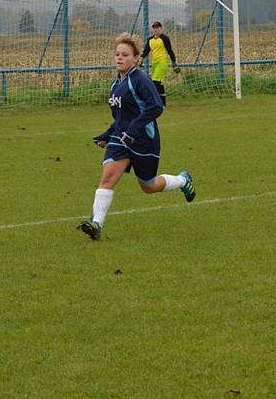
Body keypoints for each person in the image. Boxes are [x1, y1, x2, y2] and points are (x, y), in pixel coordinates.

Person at [77, 33, 195, 241]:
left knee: (148, 186)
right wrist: (107, 135)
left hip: (144, 140)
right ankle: (97, 223)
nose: (119, 58)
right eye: (117, 54)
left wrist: (133, 129)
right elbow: (120, 119)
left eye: (125, 54)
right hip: (121, 140)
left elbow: (156, 107)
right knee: (107, 179)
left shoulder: (140, 79)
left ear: (136, 58)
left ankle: (182, 180)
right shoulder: (116, 85)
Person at [140, 21, 180, 106]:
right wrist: (142, 58)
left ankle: (155, 104)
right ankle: (163, 104)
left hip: (163, 62)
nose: (156, 29)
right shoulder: (150, 40)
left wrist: (174, 62)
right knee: (159, 83)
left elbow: (170, 50)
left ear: (161, 29)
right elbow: (146, 50)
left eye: (157, 27)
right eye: (154, 28)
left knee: (155, 82)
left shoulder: (164, 38)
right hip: (154, 64)